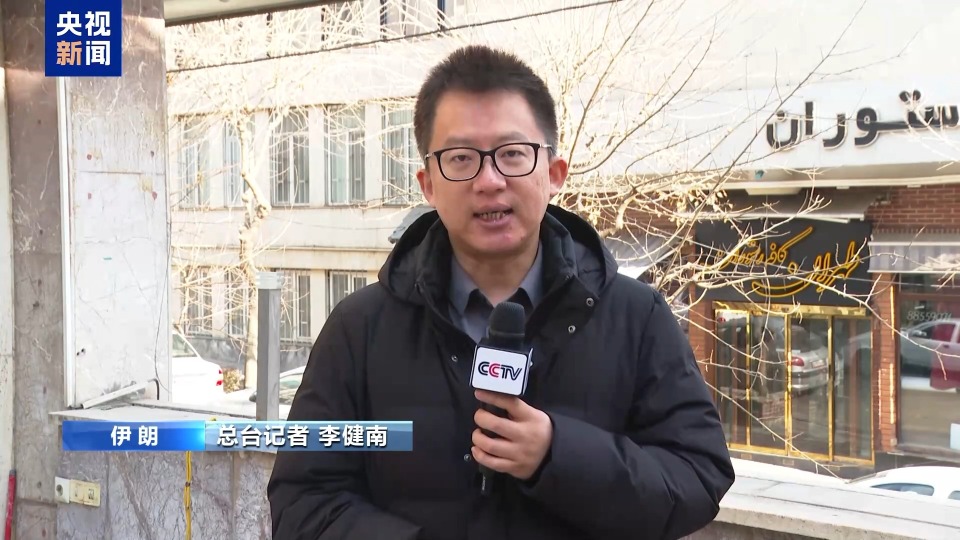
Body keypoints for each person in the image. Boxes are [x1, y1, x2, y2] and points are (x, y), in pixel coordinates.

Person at [267, 44, 735, 540]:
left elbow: (697, 476)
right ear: (428, 184)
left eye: (512, 154)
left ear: (554, 173)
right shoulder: (360, 328)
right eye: (461, 158)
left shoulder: (636, 316)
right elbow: (303, 503)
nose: (489, 181)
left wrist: (557, 454)